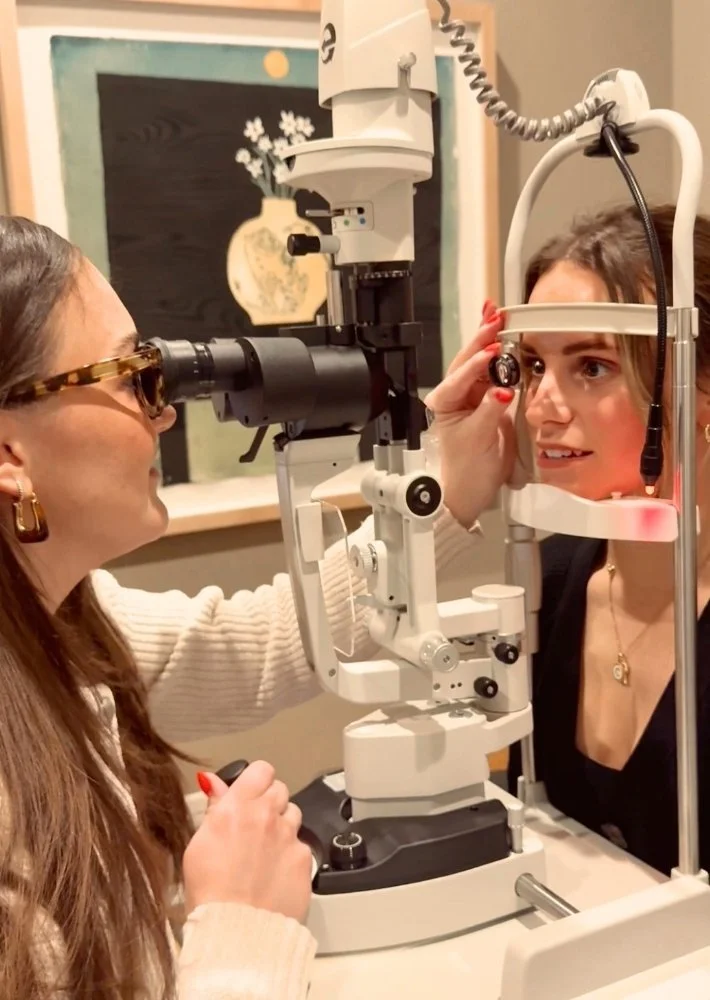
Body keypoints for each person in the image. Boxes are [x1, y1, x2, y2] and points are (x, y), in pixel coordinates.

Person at [0, 215, 491, 999]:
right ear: (8, 452)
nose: (163, 412)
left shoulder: (62, 620)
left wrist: (450, 486)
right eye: (131, 378)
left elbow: (259, 642)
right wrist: (240, 924)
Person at [427, 202, 710, 878]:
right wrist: (447, 481)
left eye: (590, 367)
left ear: (702, 388)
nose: (541, 405)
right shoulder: (544, 581)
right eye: (529, 367)